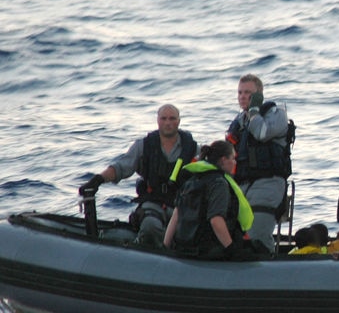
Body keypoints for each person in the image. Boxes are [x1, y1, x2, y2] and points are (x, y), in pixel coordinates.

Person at [77, 104, 199, 247]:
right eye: (164, 118)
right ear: (158, 121)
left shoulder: (192, 148)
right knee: (150, 226)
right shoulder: (144, 146)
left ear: (179, 121)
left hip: (181, 207)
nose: (168, 123)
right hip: (153, 203)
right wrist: (97, 181)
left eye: (172, 119)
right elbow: (121, 167)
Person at [226, 74, 292, 254]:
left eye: (248, 92)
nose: (242, 96)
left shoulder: (276, 114)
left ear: (258, 95)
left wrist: (255, 111)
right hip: (243, 184)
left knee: (257, 233)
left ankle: (269, 267)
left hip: (268, 182)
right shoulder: (239, 121)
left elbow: (262, 133)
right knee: (237, 233)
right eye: (239, 92)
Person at [163, 141, 254, 260]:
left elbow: (176, 216)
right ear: (223, 160)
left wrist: (165, 248)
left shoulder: (191, 181)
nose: (235, 162)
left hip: (185, 248)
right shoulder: (219, 184)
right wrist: (232, 250)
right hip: (209, 251)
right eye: (232, 158)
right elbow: (216, 220)